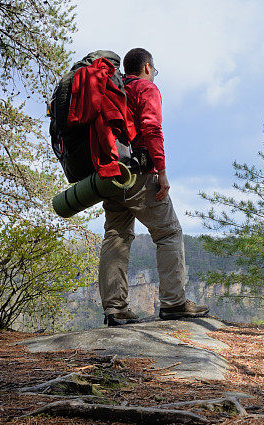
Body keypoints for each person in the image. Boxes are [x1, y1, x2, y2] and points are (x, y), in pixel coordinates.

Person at [98, 47, 209, 326]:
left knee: (116, 236)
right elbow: (151, 128)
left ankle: (115, 308)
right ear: (147, 67)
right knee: (169, 232)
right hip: (138, 172)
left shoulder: (112, 90)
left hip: (109, 174)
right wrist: (161, 171)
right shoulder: (145, 88)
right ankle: (173, 304)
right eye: (154, 70)